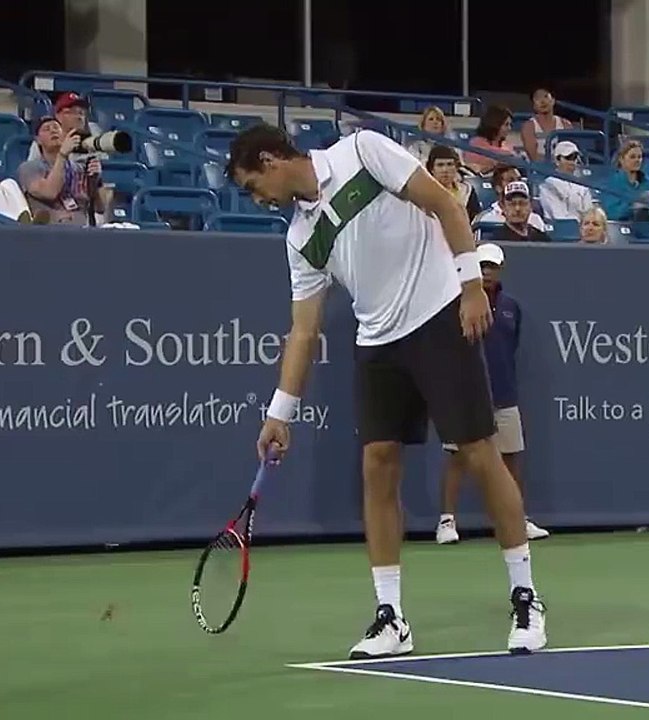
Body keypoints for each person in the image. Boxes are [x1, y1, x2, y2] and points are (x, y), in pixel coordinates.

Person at [226, 124, 548, 660]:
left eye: (252, 184)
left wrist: (471, 286)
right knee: (376, 464)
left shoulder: (361, 151)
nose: (256, 198)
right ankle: (391, 617)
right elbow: (303, 330)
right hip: (377, 342)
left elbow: (444, 204)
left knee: (478, 454)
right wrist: (279, 412)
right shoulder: (299, 238)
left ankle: (525, 597)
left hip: (440, 315)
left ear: (270, 159)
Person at [436, 243, 549, 546]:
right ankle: (446, 520)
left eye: (491, 267)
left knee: (510, 459)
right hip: (464, 392)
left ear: (500, 269)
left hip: (504, 393)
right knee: (457, 457)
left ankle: (517, 519)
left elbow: (510, 347)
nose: (486, 272)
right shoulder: (458, 302)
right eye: (481, 266)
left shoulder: (512, 307)